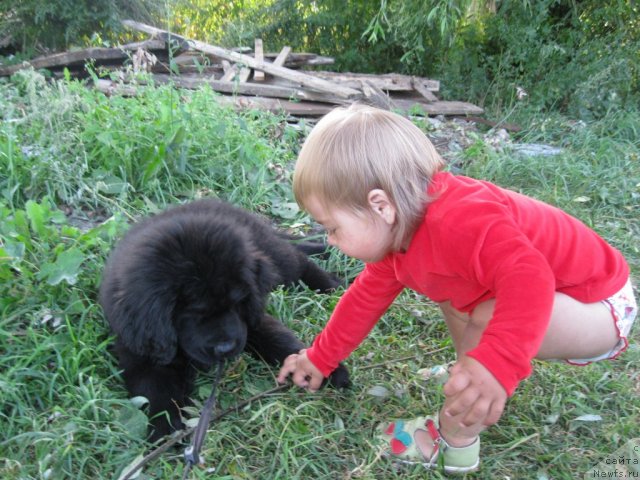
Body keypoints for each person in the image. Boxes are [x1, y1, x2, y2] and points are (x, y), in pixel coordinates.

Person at [276, 104, 637, 473]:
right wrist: (320, 356)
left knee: (483, 315)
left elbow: (531, 279)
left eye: (332, 227)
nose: (331, 240)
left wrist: (497, 363)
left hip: (601, 305)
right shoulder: (400, 234)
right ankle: (466, 372)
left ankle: (453, 443)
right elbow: (363, 300)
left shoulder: (462, 220)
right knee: (457, 298)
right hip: (560, 298)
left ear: (380, 206)